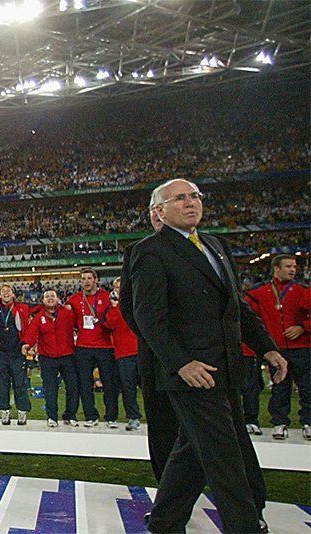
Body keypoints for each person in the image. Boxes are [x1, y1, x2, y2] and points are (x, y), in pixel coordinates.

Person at [129, 178, 288, 534]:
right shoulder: (151, 251)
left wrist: (266, 346)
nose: (191, 203)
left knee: (192, 452)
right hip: (192, 373)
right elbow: (148, 317)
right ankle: (245, 526)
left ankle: (166, 521)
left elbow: (237, 308)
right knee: (224, 455)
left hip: (227, 367)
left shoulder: (216, 246)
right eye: (180, 198)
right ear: (159, 211)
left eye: (195, 196)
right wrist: (180, 362)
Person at [245, 254, 310, 440]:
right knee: (280, 387)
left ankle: (308, 422)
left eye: (294, 267)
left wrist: (302, 327)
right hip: (276, 349)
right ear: (276, 268)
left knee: (307, 387)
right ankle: (279, 423)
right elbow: (250, 321)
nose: (292, 270)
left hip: (302, 347)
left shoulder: (303, 290)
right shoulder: (259, 292)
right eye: (288, 266)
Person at [66, 268, 118, 427]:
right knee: (85, 384)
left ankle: (111, 417)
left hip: (105, 346)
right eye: (83, 279)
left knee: (109, 383)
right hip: (83, 347)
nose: (86, 281)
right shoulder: (74, 300)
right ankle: (91, 416)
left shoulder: (106, 297)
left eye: (89, 278)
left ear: (96, 280)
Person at [22, 290, 79, 427]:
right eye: (47, 296)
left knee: (72, 387)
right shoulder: (39, 316)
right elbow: (32, 332)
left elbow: (80, 324)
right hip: (47, 357)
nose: (50, 298)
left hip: (67, 355)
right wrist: (26, 344)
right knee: (50, 388)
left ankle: (70, 415)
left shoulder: (67, 313)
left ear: (58, 298)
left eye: (52, 296)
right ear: (42, 300)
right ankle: (52, 417)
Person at [0, 284, 31, 425]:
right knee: (2, 384)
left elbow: (38, 308)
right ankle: (4, 410)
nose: (5, 293)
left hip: (17, 352)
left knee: (20, 383)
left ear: (13, 294)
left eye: (8, 291)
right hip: (0, 352)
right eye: (2, 291)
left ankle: (22, 411)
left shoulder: (22, 308)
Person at [104, 277, 142, 431]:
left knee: (149, 387)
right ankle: (134, 417)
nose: (120, 290)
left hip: (141, 350)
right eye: (117, 287)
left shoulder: (138, 302)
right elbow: (110, 324)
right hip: (124, 352)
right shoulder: (113, 308)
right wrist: (116, 307)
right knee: (128, 387)